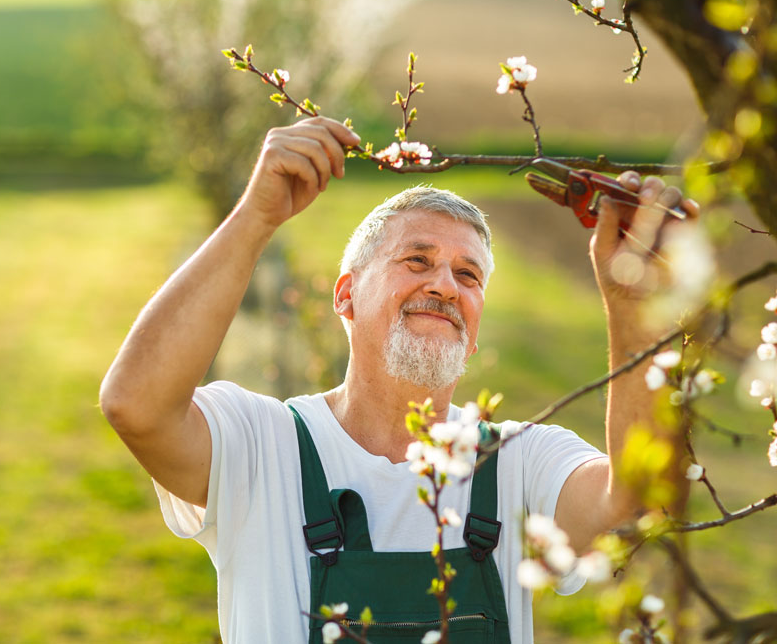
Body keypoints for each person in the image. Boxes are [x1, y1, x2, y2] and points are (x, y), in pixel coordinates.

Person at [99, 117, 698, 644]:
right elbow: (136, 405)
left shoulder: (517, 462)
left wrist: (632, 302)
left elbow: (636, 502)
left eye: (468, 275)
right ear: (346, 295)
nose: (444, 285)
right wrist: (257, 217)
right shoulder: (262, 445)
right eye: (417, 261)